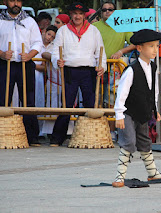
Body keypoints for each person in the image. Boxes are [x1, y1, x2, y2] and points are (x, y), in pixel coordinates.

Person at [112, 29, 161, 187]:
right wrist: (118, 115)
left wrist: (155, 109)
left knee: (145, 141)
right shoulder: (131, 70)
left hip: (143, 112)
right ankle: (119, 176)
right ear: (139, 48)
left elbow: (154, 91)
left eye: (156, 46)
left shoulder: (153, 67)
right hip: (127, 112)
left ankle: (152, 173)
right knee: (129, 142)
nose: (154, 50)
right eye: (151, 46)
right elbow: (121, 94)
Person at [50, 2, 106, 146]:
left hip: (88, 71)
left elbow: (101, 52)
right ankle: (57, 138)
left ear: (84, 15)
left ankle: (92, 136)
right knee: (67, 104)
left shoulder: (93, 30)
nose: (77, 16)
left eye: (80, 14)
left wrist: (102, 66)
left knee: (90, 104)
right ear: (70, 15)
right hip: (70, 70)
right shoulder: (63, 31)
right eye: (75, 13)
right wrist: (57, 61)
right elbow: (55, 51)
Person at [0, 0, 42, 146]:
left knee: (28, 100)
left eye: (18, 0)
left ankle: (32, 136)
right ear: (5, 2)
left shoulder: (29, 21)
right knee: (3, 98)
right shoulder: (0, 20)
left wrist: (30, 55)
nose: (16, 4)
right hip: (5, 64)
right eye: (12, 1)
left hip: (25, 64)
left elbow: (38, 42)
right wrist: (1, 53)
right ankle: (2, 134)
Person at [93, 1, 135, 106]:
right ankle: (97, 122)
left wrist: (121, 51)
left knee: (112, 100)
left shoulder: (123, 25)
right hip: (97, 67)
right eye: (104, 10)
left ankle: (112, 122)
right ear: (101, 13)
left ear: (115, 12)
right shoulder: (94, 27)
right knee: (96, 99)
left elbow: (135, 43)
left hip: (114, 68)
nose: (107, 12)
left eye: (110, 9)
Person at [34, 25, 57, 140]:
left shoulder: (53, 48)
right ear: (44, 32)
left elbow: (45, 67)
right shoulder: (35, 43)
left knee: (42, 102)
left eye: (52, 37)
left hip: (45, 78)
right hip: (35, 77)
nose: (49, 38)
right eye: (48, 34)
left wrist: (32, 65)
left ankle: (42, 131)